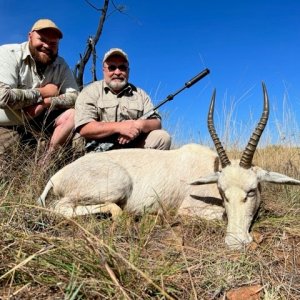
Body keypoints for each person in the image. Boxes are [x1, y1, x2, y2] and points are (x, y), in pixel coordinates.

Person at [0, 19, 79, 168]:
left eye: (53, 43)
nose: (47, 46)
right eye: (42, 39)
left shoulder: (60, 64)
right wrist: (44, 92)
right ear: (30, 36)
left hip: (40, 123)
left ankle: (46, 163)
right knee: (6, 176)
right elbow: (3, 97)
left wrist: (46, 103)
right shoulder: (7, 53)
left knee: (74, 115)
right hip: (7, 125)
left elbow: (75, 97)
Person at [75, 48, 171, 152]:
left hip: (133, 149)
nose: (117, 72)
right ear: (104, 70)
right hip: (100, 152)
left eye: (122, 68)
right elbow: (84, 128)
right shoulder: (90, 91)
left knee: (162, 138)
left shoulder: (140, 94)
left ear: (128, 71)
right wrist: (120, 127)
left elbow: (157, 122)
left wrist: (139, 125)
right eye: (112, 67)